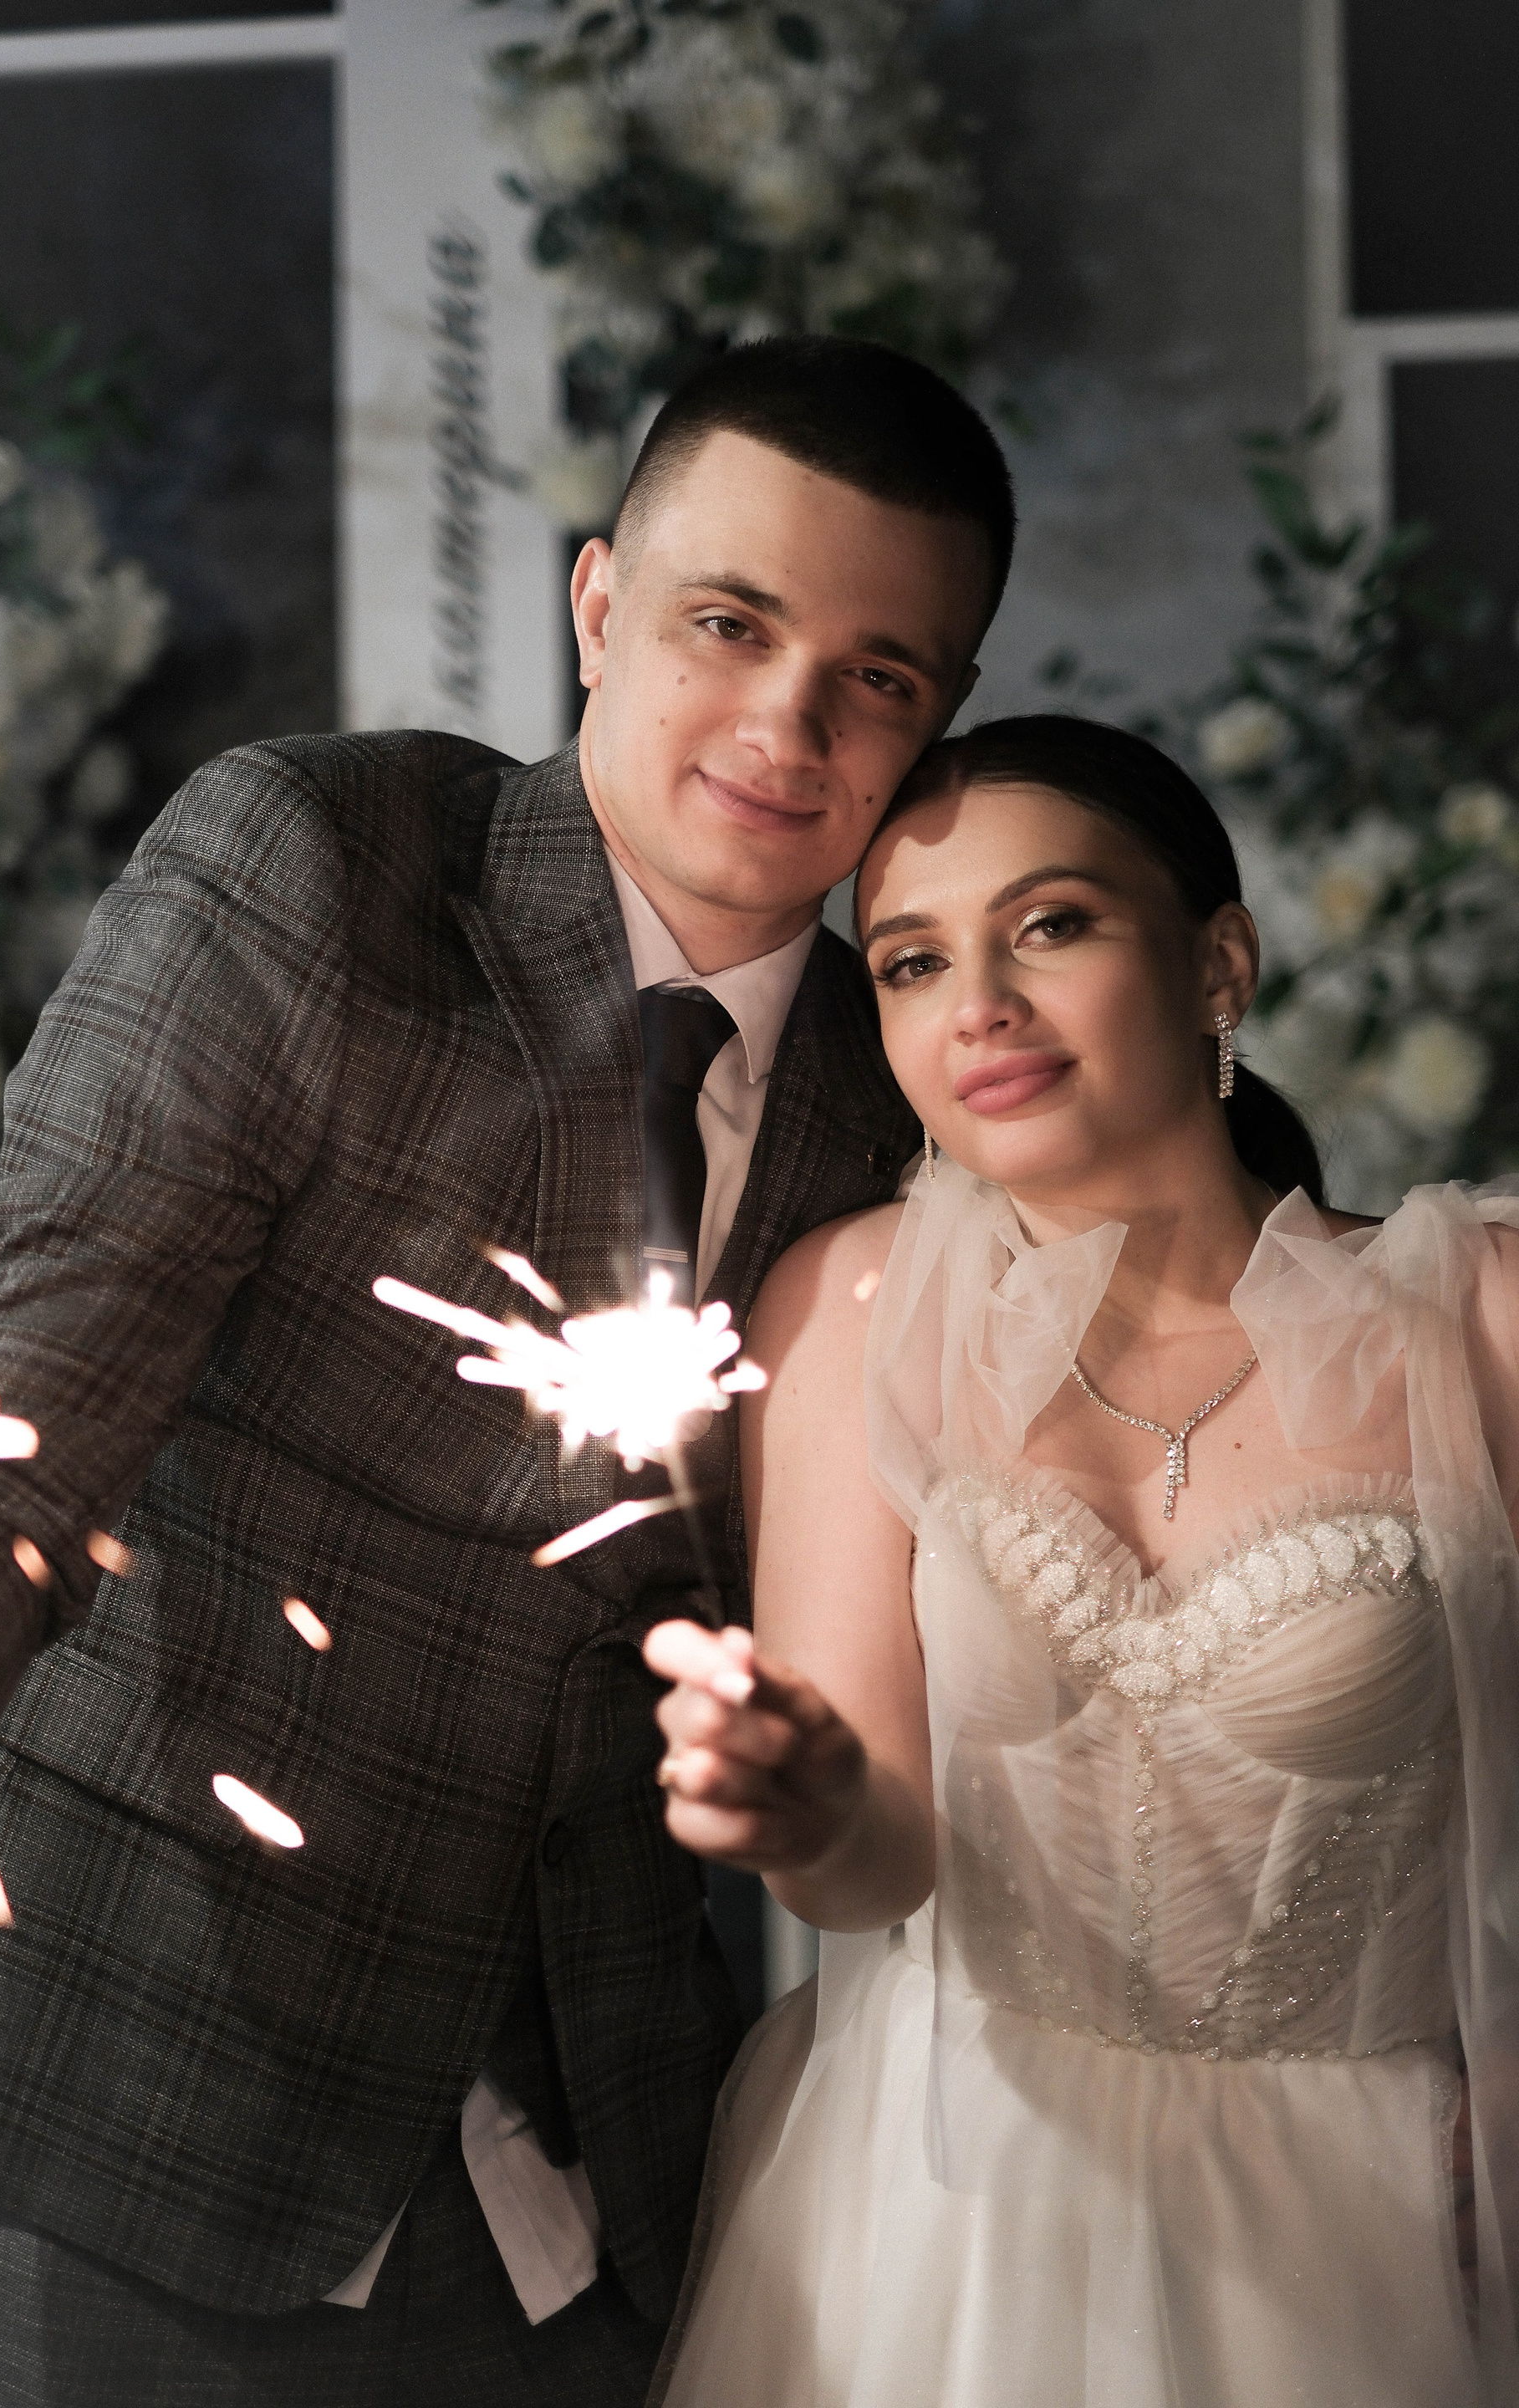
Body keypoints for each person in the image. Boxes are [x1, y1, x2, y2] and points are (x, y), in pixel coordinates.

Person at [0, 338, 1015, 2406]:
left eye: (876, 677)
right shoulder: (318, 866)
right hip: (125, 2104)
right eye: (728, 623)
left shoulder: (924, 1092)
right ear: (597, 603)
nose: (787, 724)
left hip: (602, 2188)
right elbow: (20, 1433)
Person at [645, 713, 1519, 2408]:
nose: (977, 1003)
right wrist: (803, 1806)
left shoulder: (1474, 1317)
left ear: (1218, 965)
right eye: (912, 961)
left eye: (1050, 925)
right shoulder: (857, 1306)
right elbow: (864, 1872)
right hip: (955, 2199)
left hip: (1369, 2211)